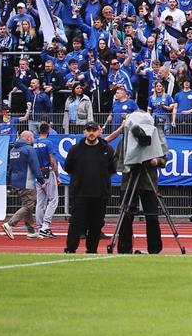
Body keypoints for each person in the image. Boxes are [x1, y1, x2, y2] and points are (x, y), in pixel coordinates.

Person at [113, 108, 168, 254]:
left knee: (152, 216)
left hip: (148, 182)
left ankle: (154, 248)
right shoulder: (125, 141)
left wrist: (157, 161)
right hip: (129, 180)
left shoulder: (156, 138)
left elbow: (164, 158)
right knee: (126, 215)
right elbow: (117, 159)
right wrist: (129, 162)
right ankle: (124, 248)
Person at [62, 121, 117, 254]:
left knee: (96, 224)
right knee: (75, 223)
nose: (91, 133)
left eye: (94, 130)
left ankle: (92, 250)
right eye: (89, 130)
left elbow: (113, 169)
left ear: (99, 131)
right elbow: (68, 168)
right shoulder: (75, 150)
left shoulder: (107, 149)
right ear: (84, 132)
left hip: (100, 194)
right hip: (80, 193)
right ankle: (70, 249)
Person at [2, 130, 45, 239]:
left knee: (27, 205)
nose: (34, 140)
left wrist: (9, 181)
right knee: (28, 205)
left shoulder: (13, 150)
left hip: (15, 182)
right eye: (33, 137)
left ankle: (31, 231)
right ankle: (10, 224)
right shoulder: (29, 149)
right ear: (29, 138)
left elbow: (10, 168)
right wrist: (41, 181)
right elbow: (35, 167)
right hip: (27, 182)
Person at [33, 122, 60, 238]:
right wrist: (57, 174)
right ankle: (45, 225)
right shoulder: (48, 143)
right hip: (48, 172)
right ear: (48, 130)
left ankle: (39, 227)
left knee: (40, 201)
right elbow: (52, 160)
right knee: (53, 199)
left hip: (37, 173)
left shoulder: (34, 143)